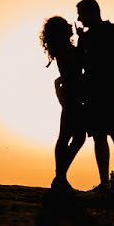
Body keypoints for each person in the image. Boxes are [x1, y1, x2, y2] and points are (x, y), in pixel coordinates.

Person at [75, 0, 114, 192]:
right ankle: (105, 183)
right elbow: (80, 64)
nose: (79, 18)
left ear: (92, 12)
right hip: (93, 94)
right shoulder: (86, 38)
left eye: (81, 14)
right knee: (99, 137)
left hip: (112, 93)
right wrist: (80, 40)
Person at [39, 16, 87, 192]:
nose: (70, 25)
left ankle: (60, 177)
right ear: (61, 31)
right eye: (66, 24)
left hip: (72, 94)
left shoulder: (65, 48)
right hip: (73, 95)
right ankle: (60, 177)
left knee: (71, 136)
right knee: (70, 136)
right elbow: (79, 65)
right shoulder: (64, 50)